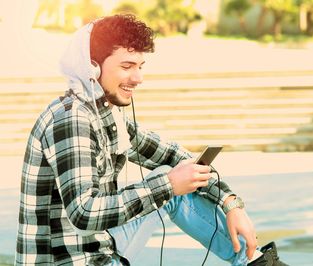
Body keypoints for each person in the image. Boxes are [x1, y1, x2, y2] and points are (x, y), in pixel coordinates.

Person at [15, 14, 288, 266]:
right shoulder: (72, 119)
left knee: (171, 176)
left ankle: (253, 261)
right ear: (92, 68)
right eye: (127, 66)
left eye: (140, 66)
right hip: (68, 259)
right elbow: (84, 212)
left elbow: (173, 156)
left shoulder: (105, 113)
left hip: (99, 247)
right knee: (168, 182)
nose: (138, 78)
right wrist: (169, 185)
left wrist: (229, 201)